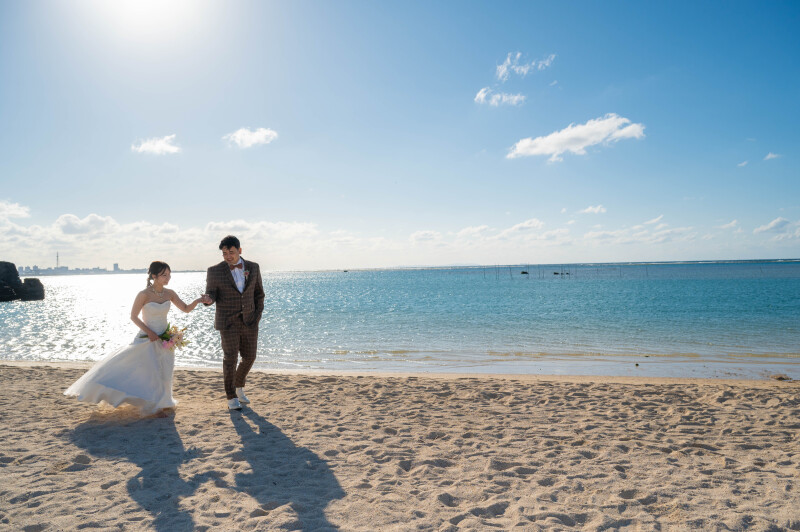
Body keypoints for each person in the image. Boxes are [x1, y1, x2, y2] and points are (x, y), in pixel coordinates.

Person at [65, 261, 203, 417]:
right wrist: (149, 332)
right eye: (164, 275)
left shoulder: (169, 293)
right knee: (149, 372)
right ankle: (153, 406)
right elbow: (133, 317)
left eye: (169, 275)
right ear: (154, 276)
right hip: (147, 338)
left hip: (165, 339)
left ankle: (165, 402)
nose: (168, 278)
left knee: (165, 372)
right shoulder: (143, 294)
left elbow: (185, 309)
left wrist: (198, 301)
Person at [201, 235, 264, 410]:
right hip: (228, 322)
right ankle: (231, 397)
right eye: (224, 253)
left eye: (231, 252)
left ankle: (239, 386)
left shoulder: (253, 267)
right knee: (230, 359)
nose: (228, 256)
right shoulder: (214, 271)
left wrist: (257, 315)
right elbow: (211, 293)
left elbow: (259, 294)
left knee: (250, 357)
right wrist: (208, 299)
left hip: (250, 321)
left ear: (239, 250)